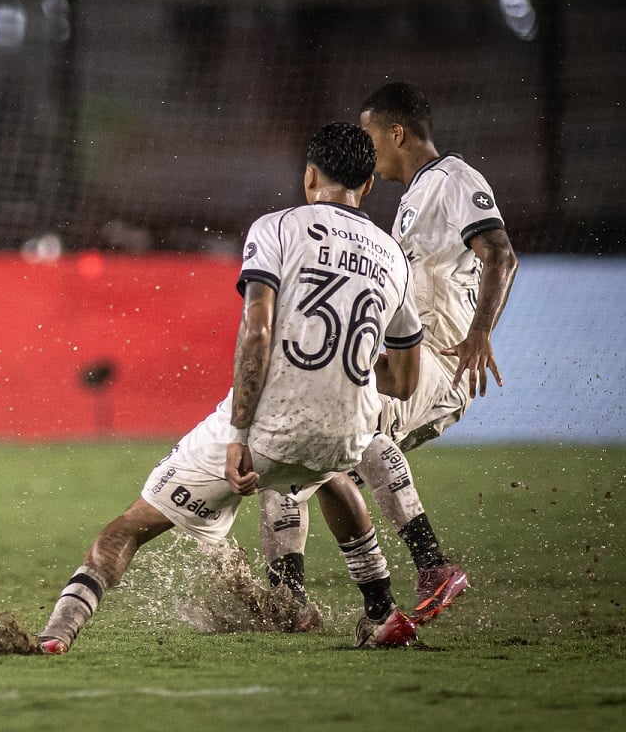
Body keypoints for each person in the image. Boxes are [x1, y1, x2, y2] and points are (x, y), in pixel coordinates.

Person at [37, 123, 424, 653]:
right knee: (332, 475)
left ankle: (57, 632)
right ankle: (382, 611)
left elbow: (258, 333)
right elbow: (403, 381)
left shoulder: (277, 229)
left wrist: (240, 431)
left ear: (310, 174)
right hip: (350, 431)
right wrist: (343, 364)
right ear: (369, 185)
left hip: (267, 428)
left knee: (125, 528)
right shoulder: (394, 256)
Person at [258, 82, 519, 625]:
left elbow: (500, 253)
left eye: (370, 132)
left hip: (441, 360)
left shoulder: (453, 179)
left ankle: (433, 565)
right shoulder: (410, 201)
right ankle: (287, 601)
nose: (365, 143)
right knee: (294, 458)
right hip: (402, 358)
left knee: (355, 423)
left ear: (396, 132)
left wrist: (479, 333)